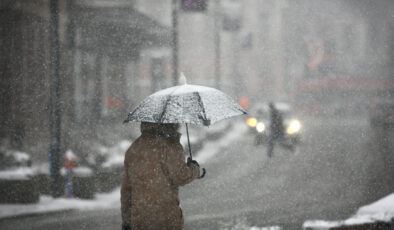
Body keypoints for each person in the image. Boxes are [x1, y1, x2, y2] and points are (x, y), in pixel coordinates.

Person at [121, 122, 201, 230]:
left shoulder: (134, 148)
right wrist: (194, 168)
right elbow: (181, 177)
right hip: (165, 217)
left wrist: (126, 221)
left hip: (139, 219)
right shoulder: (170, 146)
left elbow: (126, 190)